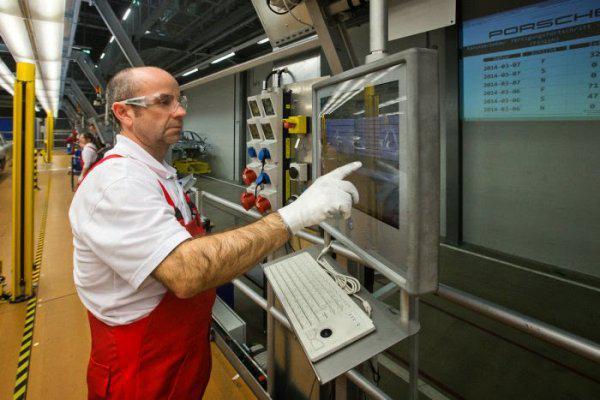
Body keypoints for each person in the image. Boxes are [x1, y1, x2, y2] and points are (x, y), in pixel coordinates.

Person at [68, 66, 361, 399]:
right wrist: (294, 215)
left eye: (180, 100)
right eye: (164, 101)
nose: (180, 111)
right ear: (124, 113)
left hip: (180, 361)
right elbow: (186, 272)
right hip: (140, 376)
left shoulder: (156, 172)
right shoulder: (118, 183)